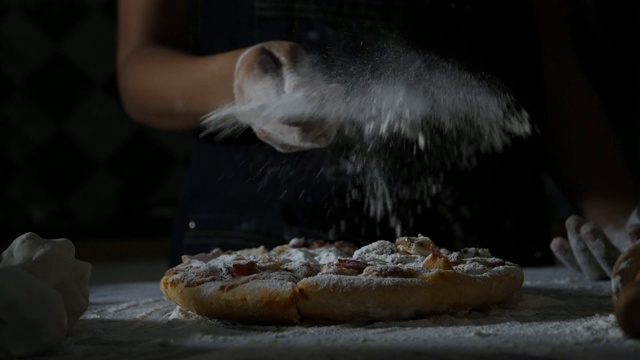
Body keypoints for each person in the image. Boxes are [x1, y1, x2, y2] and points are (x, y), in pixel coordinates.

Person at [117, 0, 638, 278]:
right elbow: (139, 69)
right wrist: (241, 80)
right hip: (253, 255)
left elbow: (555, 75)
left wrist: (624, 228)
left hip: (478, 252)